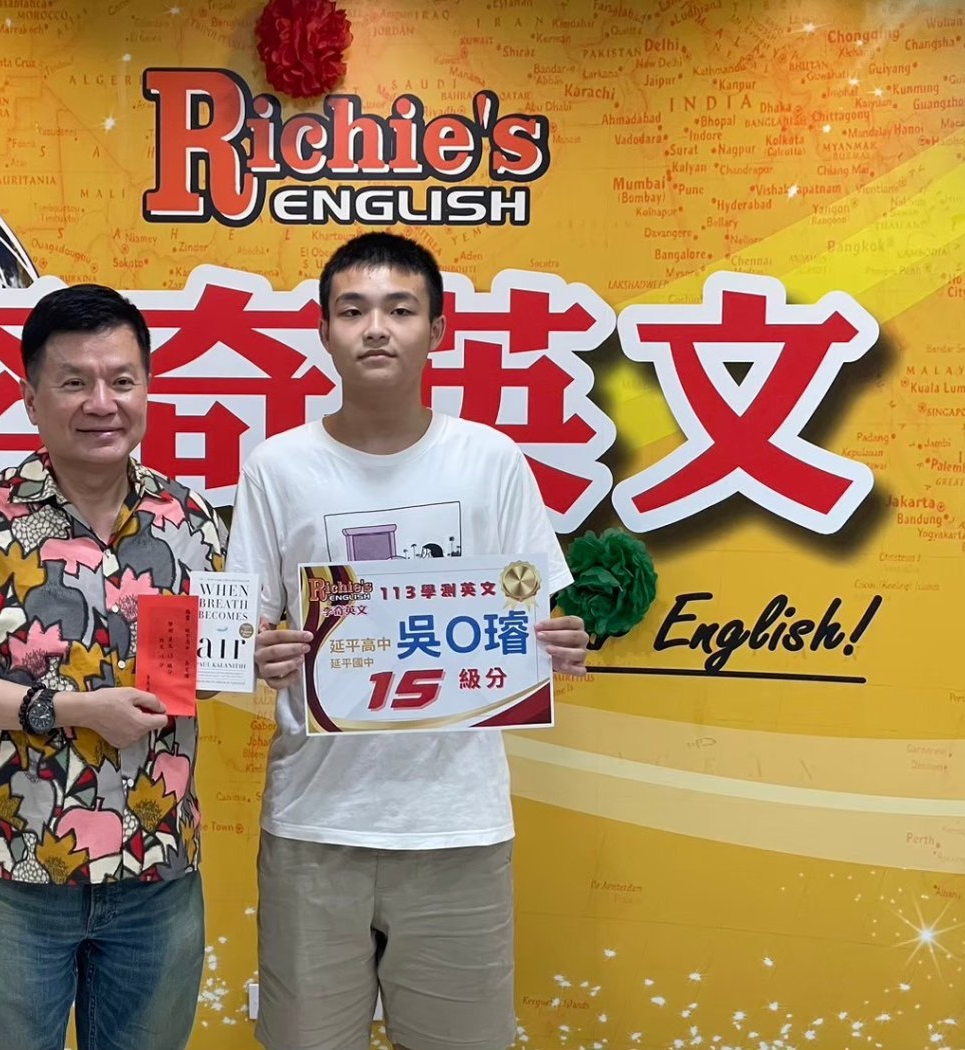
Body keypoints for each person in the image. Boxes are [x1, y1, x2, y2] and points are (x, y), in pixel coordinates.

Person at [225, 232, 591, 1050]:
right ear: (324, 332)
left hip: (458, 826)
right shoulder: (277, 467)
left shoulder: (491, 461)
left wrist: (560, 643)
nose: (376, 329)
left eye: (400, 309)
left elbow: (536, 616)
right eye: (353, 310)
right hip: (315, 825)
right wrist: (259, 653)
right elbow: (240, 633)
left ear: (438, 329)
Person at [0, 284, 225, 1050]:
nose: (101, 403)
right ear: (32, 398)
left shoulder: (191, 520)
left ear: (147, 388)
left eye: (122, 380)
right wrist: (71, 709)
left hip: (159, 868)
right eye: (75, 382)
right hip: (17, 872)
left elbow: (205, 666)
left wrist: (253, 657)